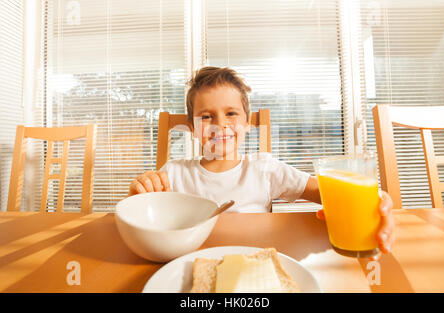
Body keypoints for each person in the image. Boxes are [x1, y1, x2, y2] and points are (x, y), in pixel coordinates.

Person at [128, 66, 394, 257]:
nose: (220, 125)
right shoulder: (174, 173)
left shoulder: (264, 169)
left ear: (247, 123)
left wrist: (373, 200)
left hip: (254, 266)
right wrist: (139, 195)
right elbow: (142, 216)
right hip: (186, 265)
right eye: (206, 117)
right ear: (192, 128)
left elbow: (330, 193)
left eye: (231, 113)